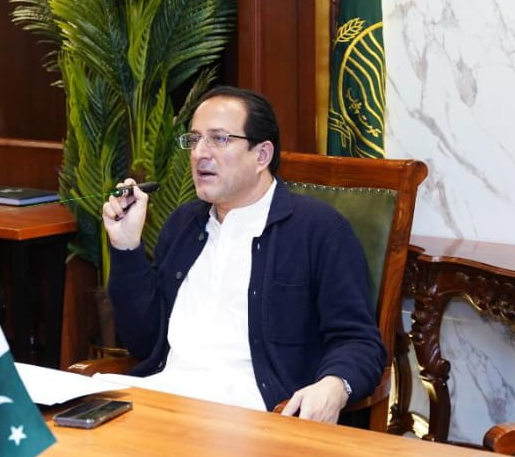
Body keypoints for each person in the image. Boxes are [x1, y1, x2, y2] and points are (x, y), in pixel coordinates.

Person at [100, 86, 386, 422]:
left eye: (219, 139)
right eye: (194, 139)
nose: (199, 154)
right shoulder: (184, 224)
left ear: (261, 155)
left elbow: (358, 341)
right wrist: (127, 247)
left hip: (249, 416)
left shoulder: (319, 230)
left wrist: (335, 385)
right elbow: (143, 342)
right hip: (161, 401)